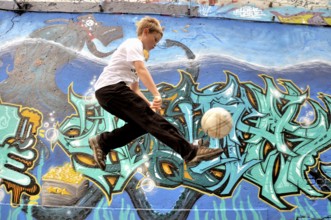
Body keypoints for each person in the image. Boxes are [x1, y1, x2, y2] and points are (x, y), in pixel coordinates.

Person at [89, 16, 223, 170]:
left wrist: (150, 106)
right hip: (112, 90)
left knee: (143, 124)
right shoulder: (134, 44)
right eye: (155, 39)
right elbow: (141, 70)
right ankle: (191, 152)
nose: (155, 45)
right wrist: (156, 94)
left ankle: (103, 142)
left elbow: (135, 90)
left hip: (109, 93)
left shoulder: (134, 55)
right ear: (145, 32)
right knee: (151, 120)